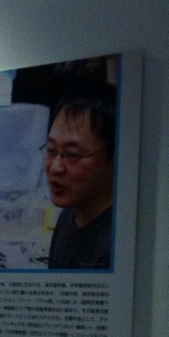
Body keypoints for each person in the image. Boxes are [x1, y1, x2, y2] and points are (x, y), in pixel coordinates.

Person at [44, 99, 115, 269]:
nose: (55, 167)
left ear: (115, 160)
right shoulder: (69, 215)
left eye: (72, 154)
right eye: (51, 150)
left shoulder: (114, 248)